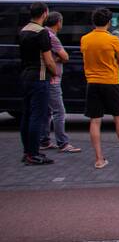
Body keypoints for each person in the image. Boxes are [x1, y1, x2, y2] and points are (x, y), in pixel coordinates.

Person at [81, 7, 119, 169]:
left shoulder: (85, 39)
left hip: (92, 82)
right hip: (111, 82)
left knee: (95, 121)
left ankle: (99, 159)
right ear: (109, 22)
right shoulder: (113, 40)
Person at [18, 1, 58, 165]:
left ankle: (27, 151)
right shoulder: (41, 33)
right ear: (44, 14)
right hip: (40, 76)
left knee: (26, 114)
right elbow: (48, 60)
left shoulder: (23, 30)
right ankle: (34, 153)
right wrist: (54, 72)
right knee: (38, 116)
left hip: (26, 74)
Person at [39, 12, 80, 154]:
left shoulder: (42, 34)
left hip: (44, 78)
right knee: (59, 111)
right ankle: (63, 142)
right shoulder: (52, 37)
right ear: (58, 22)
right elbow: (65, 56)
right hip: (53, 78)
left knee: (47, 111)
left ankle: (44, 140)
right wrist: (57, 60)